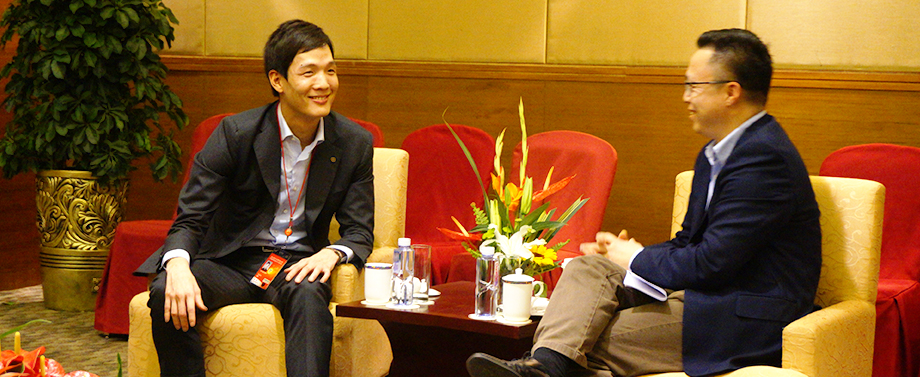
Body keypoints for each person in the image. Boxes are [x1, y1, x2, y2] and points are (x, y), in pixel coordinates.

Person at [467, 28, 822, 377]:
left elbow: (713, 263)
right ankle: (544, 368)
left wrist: (637, 258)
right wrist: (631, 253)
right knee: (589, 268)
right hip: (703, 296)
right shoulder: (715, 152)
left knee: (583, 339)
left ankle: (546, 366)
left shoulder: (764, 160)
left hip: (741, 317)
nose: (686, 97)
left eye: (694, 86)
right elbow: (689, 243)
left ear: (731, 92)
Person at [134, 20, 375, 377]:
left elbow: (360, 231)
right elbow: (192, 217)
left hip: (296, 265)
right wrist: (178, 265)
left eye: (330, 71)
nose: (323, 83)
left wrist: (332, 252)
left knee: (310, 298)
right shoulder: (236, 134)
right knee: (166, 290)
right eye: (309, 72)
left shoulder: (354, 142)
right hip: (230, 261)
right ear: (277, 80)